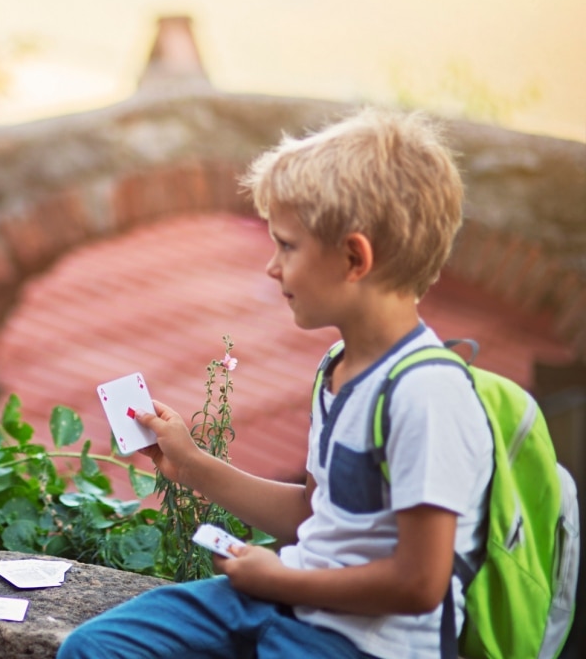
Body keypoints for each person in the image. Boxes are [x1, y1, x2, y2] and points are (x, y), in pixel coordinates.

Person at [58, 108, 492, 659]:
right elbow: (318, 514)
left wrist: (281, 581)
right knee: (95, 649)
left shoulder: (427, 396)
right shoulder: (338, 365)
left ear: (354, 258)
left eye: (287, 246)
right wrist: (192, 465)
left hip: (362, 644)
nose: (271, 266)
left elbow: (418, 584)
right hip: (279, 601)